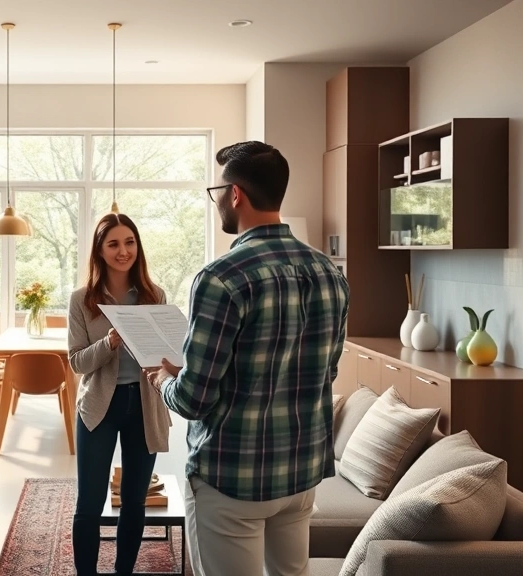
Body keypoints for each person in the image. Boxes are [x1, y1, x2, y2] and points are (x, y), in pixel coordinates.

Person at [145, 141, 349, 576]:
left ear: (235, 193)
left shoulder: (221, 277)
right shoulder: (330, 272)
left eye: (216, 189)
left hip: (232, 476)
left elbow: (194, 401)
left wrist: (164, 381)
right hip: (299, 472)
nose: (216, 198)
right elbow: (322, 372)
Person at [68, 212, 173, 576]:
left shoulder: (154, 295)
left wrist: (172, 360)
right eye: (113, 243)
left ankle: (123, 572)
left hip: (144, 406)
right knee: (90, 503)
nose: (123, 250)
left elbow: (165, 355)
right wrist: (110, 341)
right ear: (99, 250)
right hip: (99, 406)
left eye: (129, 242)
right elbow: (77, 363)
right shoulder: (82, 300)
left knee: (134, 503)